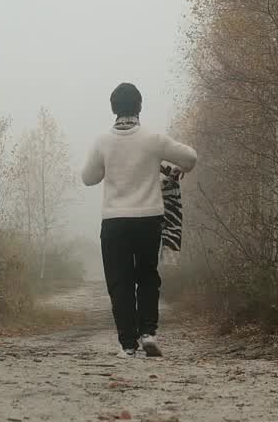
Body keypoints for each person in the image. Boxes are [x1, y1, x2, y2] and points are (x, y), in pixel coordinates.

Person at [80, 82, 197, 358]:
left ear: (113, 109)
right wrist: (176, 169)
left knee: (119, 282)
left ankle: (128, 345)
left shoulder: (103, 142)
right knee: (147, 276)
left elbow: (88, 178)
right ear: (140, 107)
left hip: (114, 222)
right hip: (148, 219)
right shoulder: (153, 139)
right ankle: (148, 333)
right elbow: (190, 157)